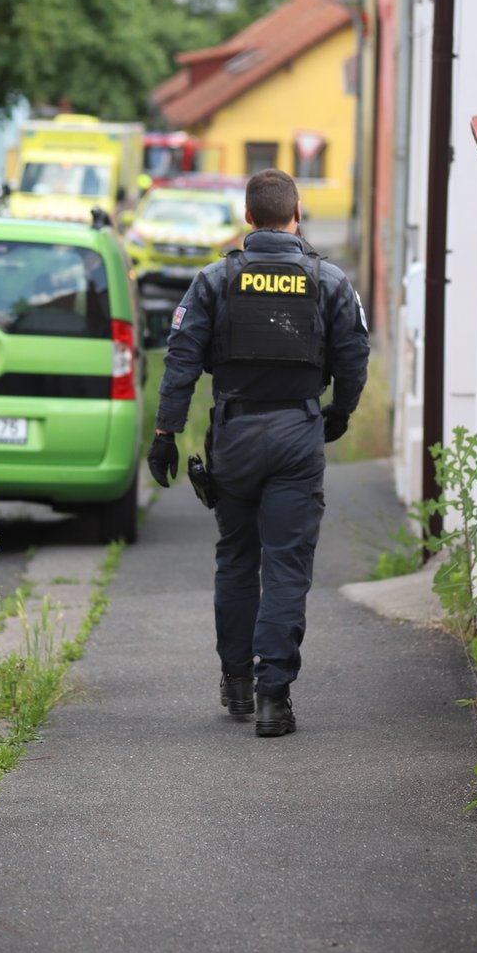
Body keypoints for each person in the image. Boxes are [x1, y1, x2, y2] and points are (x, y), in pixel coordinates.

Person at [147, 168, 370, 738]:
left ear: (247, 218)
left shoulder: (215, 281)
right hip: (298, 432)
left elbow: (180, 361)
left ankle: (237, 683)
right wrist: (339, 412)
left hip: (236, 436)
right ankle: (274, 697)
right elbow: (353, 355)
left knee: (238, 559)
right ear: (297, 214)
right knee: (287, 566)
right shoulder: (329, 280)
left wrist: (166, 434)